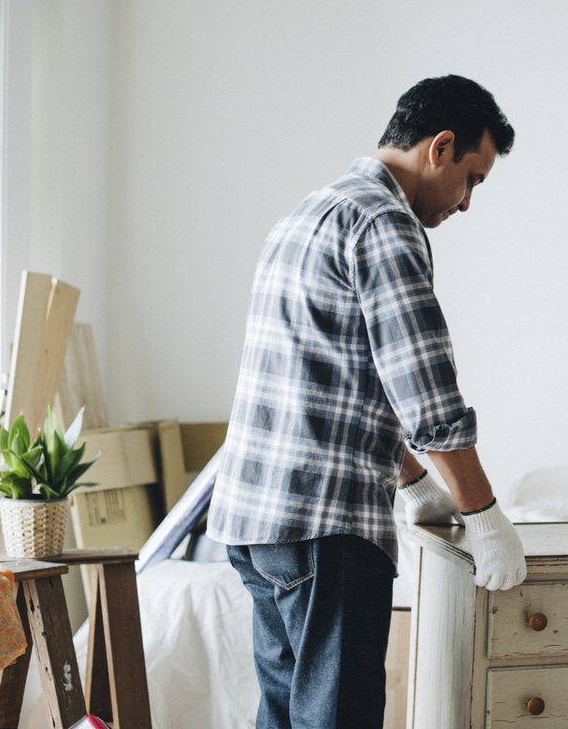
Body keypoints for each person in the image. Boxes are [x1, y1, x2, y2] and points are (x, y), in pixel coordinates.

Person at [207, 74, 527, 729]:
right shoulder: (385, 222)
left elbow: (337, 378)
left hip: (257, 524)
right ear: (440, 148)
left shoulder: (312, 209)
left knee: (286, 716)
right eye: (474, 178)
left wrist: (411, 482)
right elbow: (425, 391)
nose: (467, 203)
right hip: (323, 531)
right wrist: (485, 516)